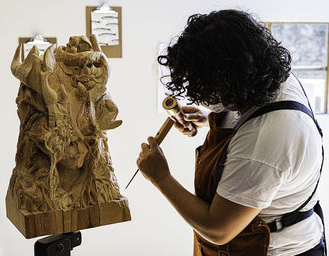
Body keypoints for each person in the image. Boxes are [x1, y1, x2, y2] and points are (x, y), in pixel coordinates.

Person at [137, 9, 326, 256]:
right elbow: (245, 118)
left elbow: (218, 230)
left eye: (206, 85)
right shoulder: (274, 78)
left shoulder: (264, 140)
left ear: (228, 78)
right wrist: (211, 120)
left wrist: (160, 177)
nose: (203, 95)